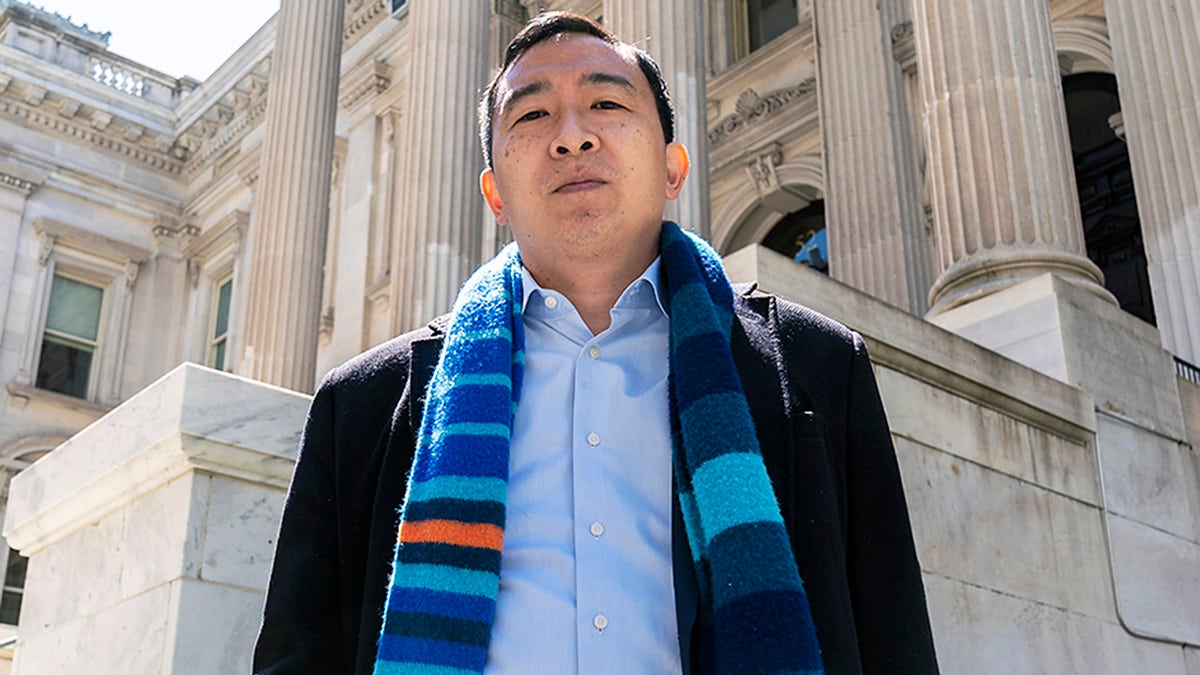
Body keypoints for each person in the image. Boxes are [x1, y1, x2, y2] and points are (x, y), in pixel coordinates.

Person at [254, 11, 937, 675]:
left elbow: (892, 638)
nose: (572, 137)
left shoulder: (818, 367)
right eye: (531, 115)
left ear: (673, 167)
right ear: (494, 193)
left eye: (606, 104)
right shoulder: (362, 406)